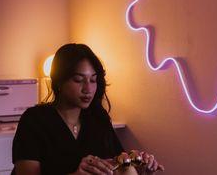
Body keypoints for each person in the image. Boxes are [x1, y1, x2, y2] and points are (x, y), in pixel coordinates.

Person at [12, 43, 164, 175]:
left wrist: (140, 168)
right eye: (78, 80)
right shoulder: (35, 120)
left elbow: (119, 164)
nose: (88, 89)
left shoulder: (98, 118)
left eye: (93, 80)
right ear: (59, 81)